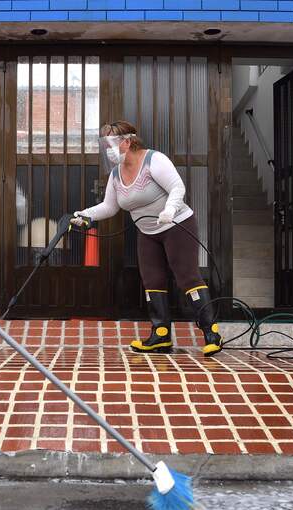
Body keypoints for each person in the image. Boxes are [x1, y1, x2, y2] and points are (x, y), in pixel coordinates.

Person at [71, 121, 222, 357]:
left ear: (127, 142)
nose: (108, 151)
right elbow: (109, 207)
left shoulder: (154, 160)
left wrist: (170, 210)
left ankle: (211, 332)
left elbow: (177, 187)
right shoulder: (115, 175)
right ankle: (160, 335)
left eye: (111, 144)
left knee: (187, 277)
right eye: (105, 146)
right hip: (148, 232)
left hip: (176, 224)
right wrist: (86, 215)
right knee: (152, 280)